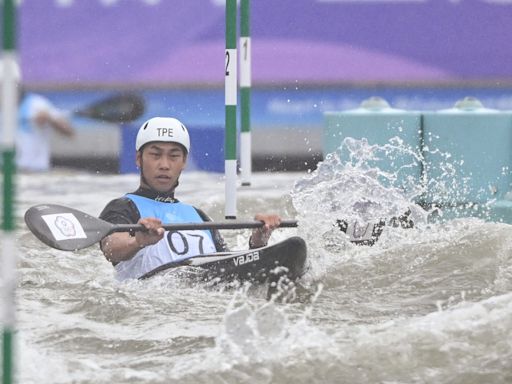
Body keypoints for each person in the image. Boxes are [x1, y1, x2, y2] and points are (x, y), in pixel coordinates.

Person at [99, 117, 282, 281]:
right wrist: (138, 241)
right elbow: (110, 248)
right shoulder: (123, 207)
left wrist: (258, 242)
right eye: (155, 155)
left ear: (184, 161)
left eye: (174, 156)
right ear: (139, 159)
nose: (164, 165)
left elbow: (230, 265)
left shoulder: (198, 215)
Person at [15, 90, 75, 172]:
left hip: (35, 170)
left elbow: (69, 132)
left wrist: (49, 118)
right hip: (5, 170)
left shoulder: (37, 104)